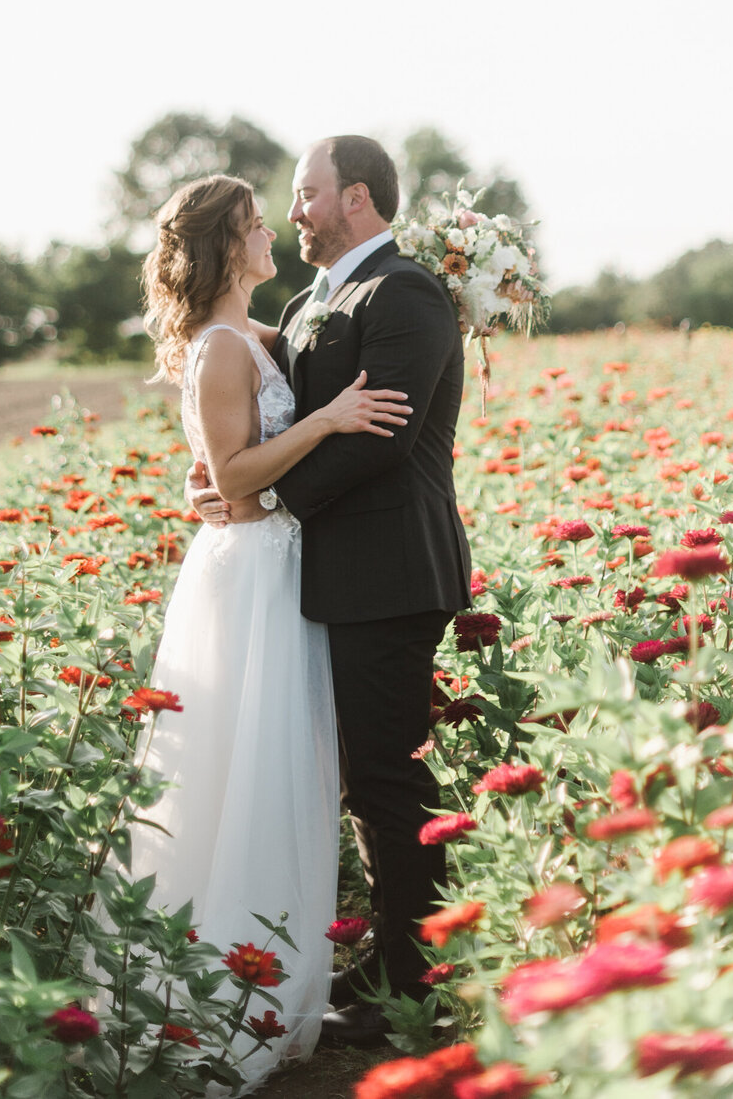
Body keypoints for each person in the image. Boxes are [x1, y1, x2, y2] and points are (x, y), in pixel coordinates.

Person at [116, 172, 413, 1087]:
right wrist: (326, 420)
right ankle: (220, 990)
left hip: (283, 568)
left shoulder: (264, 335)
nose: (272, 234)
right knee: (240, 773)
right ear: (224, 247)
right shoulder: (218, 348)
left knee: (285, 771)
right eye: (255, 225)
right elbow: (236, 477)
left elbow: (227, 464)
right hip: (248, 575)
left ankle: (270, 983)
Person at [192, 136, 473, 1046]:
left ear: (355, 196)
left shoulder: (405, 292)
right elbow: (253, 415)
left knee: (389, 778)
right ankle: (392, 954)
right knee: (363, 777)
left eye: (306, 194)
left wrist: (259, 495)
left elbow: (379, 436)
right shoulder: (314, 300)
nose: (294, 210)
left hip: (392, 570)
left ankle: (415, 984)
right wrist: (221, 478)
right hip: (330, 575)